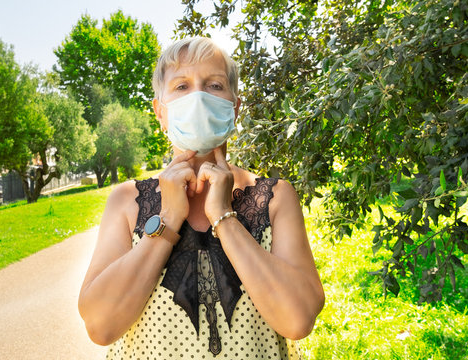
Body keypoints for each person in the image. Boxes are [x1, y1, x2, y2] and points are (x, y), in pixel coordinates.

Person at [78, 37, 325, 359]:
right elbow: (100, 326)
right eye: (181, 86)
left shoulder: (275, 197)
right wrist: (166, 221)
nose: (198, 97)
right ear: (160, 112)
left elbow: (298, 319)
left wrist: (224, 217)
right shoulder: (128, 201)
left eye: (214, 85)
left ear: (235, 107)